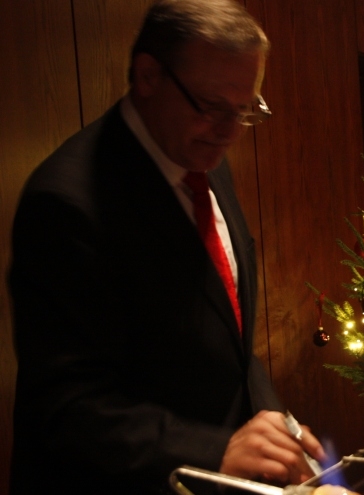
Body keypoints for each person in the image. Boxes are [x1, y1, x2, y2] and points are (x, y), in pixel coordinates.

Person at [8, 1, 324, 493]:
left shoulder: (205, 157)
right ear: (148, 75)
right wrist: (215, 451)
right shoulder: (67, 202)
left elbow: (227, 340)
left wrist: (272, 421)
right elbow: (68, 411)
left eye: (244, 110)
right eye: (212, 107)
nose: (231, 132)